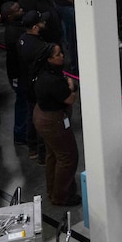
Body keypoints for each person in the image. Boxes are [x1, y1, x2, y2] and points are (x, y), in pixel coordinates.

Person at [31, 43, 81, 206]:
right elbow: (70, 99)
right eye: (58, 54)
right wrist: (71, 86)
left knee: (53, 154)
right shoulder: (52, 80)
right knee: (68, 157)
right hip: (54, 121)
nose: (62, 56)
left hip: (41, 115)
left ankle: (53, 189)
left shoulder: (42, 72)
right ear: (49, 59)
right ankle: (62, 196)